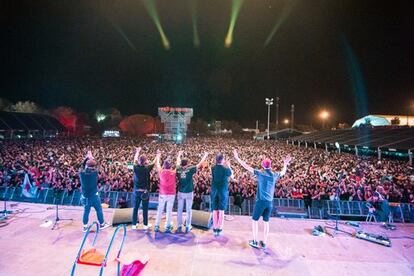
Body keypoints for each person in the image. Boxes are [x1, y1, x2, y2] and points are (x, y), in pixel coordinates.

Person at [233, 149, 291, 249]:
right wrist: (285, 163)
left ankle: (255, 241)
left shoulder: (260, 173)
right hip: (269, 202)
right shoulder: (274, 175)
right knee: (266, 222)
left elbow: (246, 166)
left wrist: (237, 158)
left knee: (254, 221)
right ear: (270, 166)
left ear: (263, 166)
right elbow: (283, 172)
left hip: (261, 202)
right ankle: (264, 243)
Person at [176, 150, 208, 233]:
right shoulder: (190, 169)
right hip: (189, 192)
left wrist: (179, 154)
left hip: (180, 192)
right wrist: (205, 155)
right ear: (187, 163)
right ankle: (187, 226)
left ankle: (179, 226)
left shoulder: (178, 169)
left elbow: (177, 162)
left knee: (179, 209)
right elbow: (200, 163)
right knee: (188, 210)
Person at [79, 151, 110, 232]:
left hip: (85, 196)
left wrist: (87, 157)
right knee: (99, 210)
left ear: (86, 166)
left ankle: (85, 227)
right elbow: (98, 165)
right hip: (94, 196)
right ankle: (102, 224)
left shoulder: (81, 173)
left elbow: (82, 165)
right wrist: (91, 157)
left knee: (86, 211)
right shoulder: (95, 173)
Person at [131, 147, 156, 230]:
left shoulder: (135, 167)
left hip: (136, 191)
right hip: (144, 192)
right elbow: (154, 162)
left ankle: (134, 224)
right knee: (145, 209)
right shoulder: (147, 168)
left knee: (135, 208)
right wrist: (157, 155)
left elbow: (134, 159)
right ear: (145, 161)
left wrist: (137, 151)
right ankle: (145, 225)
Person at [154, 150, 177, 233]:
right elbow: (177, 166)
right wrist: (178, 156)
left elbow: (157, 164)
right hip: (171, 194)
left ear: (164, 166)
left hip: (162, 194)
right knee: (169, 210)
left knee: (160, 210)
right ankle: (167, 226)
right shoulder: (173, 172)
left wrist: (158, 155)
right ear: (170, 166)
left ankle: (156, 225)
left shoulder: (161, 172)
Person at [211, 153, 233, 236]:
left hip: (214, 191)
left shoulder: (212, 168)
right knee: (221, 210)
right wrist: (229, 166)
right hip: (222, 192)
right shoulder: (225, 169)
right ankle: (219, 228)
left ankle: (215, 227)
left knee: (214, 210)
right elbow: (231, 174)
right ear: (222, 160)